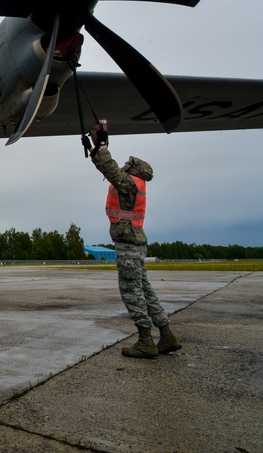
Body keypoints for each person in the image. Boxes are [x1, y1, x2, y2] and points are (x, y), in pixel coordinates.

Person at [88, 123, 181, 359]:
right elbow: (109, 169)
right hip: (136, 242)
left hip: (128, 243)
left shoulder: (130, 183)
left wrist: (101, 146)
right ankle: (167, 335)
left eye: (128, 164)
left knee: (131, 291)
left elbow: (111, 170)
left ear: (135, 169)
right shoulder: (136, 184)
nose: (124, 166)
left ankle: (146, 340)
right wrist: (96, 151)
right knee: (145, 289)